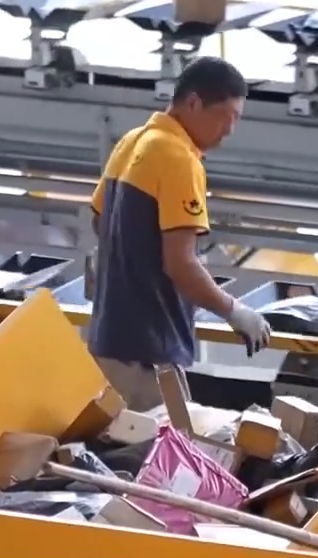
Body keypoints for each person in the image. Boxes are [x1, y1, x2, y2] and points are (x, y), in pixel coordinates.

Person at [88, 57, 272, 410]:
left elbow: (99, 221)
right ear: (194, 103)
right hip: (147, 351)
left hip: (108, 340)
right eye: (227, 116)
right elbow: (181, 265)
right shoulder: (178, 158)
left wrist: (131, 258)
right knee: (169, 445)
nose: (229, 130)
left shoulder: (132, 141)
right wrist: (235, 311)